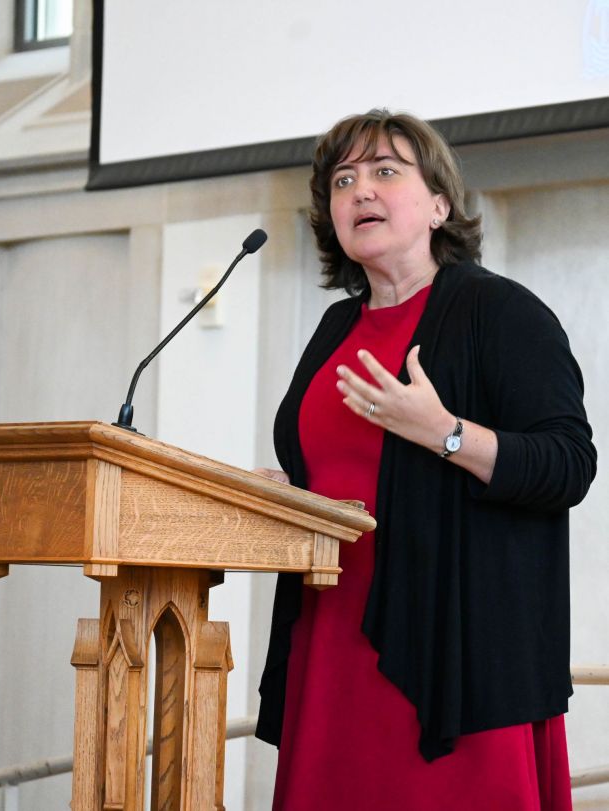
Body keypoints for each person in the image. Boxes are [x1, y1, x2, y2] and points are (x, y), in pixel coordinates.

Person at [254, 110, 597, 810]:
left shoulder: (500, 313)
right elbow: (339, 473)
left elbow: (568, 463)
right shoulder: (336, 327)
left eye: (385, 171)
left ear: (440, 204)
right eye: (343, 179)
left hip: (455, 656)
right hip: (334, 641)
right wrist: (284, 495)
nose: (359, 191)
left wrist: (444, 432)